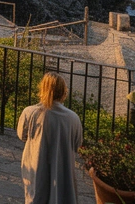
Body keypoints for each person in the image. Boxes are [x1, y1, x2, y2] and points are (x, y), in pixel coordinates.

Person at [16, 72, 83, 204]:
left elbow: (22, 135)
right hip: (63, 169)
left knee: (36, 195)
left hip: (36, 165)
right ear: (64, 91)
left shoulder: (30, 112)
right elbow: (77, 144)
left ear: (42, 89)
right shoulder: (73, 118)